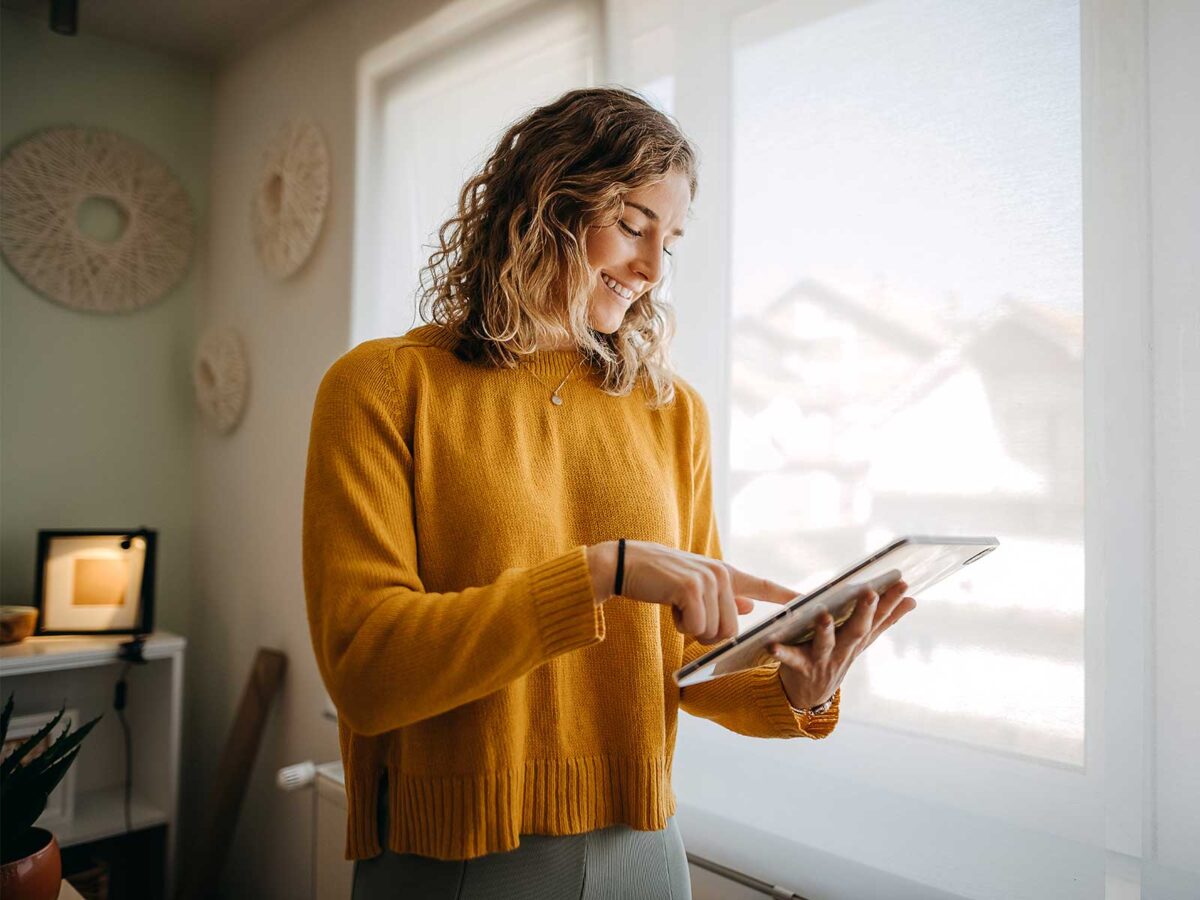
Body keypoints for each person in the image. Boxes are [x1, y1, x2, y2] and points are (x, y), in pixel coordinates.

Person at [302, 86, 916, 899]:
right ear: (544, 205)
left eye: (672, 240)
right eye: (632, 225)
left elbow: (689, 651)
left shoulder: (672, 411)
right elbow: (368, 670)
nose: (653, 268)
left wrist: (795, 689)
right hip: (453, 859)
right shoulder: (382, 387)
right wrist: (597, 572)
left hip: (646, 853)